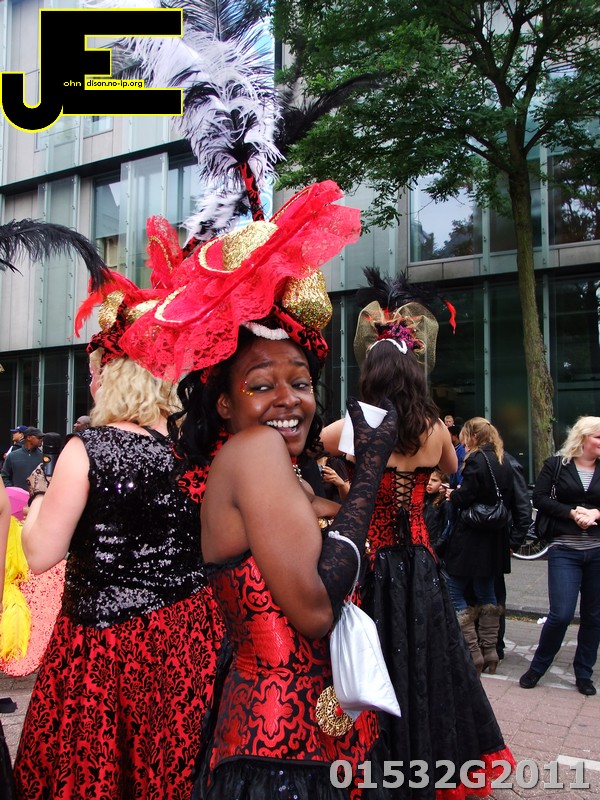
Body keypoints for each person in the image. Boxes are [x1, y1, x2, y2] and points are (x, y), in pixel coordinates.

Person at [116, 181, 397, 798]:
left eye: (300, 382)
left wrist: (350, 490)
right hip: (280, 753)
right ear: (223, 402)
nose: (288, 400)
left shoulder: (280, 474)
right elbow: (314, 611)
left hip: (320, 743)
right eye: (262, 385)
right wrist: (372, 467)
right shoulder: (254, 451)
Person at [13, 276, 224, 800]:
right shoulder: (192, 453)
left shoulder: (87, 449)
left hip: (103, 648)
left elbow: (39, 555)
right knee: (172, 766)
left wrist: (37, 503)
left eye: (93, 374)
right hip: (187, 640)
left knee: (97, 772)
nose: (91, 385)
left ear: (112, 377)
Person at [321, 271, 515, 796]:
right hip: (420, 563)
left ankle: (371, 763)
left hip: (371, 561)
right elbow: (451, 468)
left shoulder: (354, 426)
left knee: (371, 661)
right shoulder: (433, 429)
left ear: (372, 375)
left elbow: (320, 441)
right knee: (429, 664)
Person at [519, 416, 600, 696]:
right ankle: (538, 667)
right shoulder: (556, 465)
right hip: (564, 550)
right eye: (598, 437)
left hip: (597, 551)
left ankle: (584, 673)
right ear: (583, 438)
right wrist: (571, 513)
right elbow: (540, 498)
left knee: (594, 616)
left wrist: (596, 512)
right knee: (561, 614)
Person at [444, 418, 521, 675]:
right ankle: (490, 651)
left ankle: (473, 652)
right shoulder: (503, 460)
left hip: (471, 537)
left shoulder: (476, 460)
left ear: (474, 436)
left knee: (455, 589)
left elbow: (465, 497)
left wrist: (452, 494)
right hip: (494, 537)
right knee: (487, 591)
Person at [422, 468, 450, 549]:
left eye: (434, 480)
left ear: (443, 484)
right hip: (421, 544)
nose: (429, 483)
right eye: (428, 479)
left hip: (434, 547)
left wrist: (435, 547)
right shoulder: (423, 499)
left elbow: (446, 529)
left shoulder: (444, 502)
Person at [447, 424, 466, 488]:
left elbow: (461, 469)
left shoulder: (462, 450)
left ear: (455, 436)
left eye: (448, 435)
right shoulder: (452, 449)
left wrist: (460, 485)